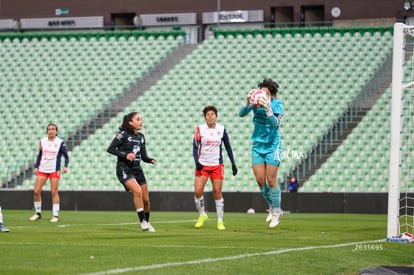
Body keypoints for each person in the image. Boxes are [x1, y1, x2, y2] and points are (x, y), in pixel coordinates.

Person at [239, 78, 284, 228]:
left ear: (272, 95)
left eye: (266, 93)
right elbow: (241, 114)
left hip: (273, 146)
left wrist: (268, 109)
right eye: (261, 92)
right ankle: (271, 206)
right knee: (260, 180)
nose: (262, 95)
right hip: (258, 145)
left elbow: (275, 123)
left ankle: (278, 211)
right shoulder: (256, 104)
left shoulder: (278, 105)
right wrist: (247, 102)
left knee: (271, 180)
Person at [107, 112, 156, 232]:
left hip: (137, 169)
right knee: (137, 191)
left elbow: (143, 156)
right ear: (130, 122)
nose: (141, 121)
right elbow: (111, 149)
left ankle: (148, 221)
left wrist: (150, 160)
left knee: (146, 199)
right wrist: (125, 154)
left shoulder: (141, 136)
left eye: (141, 119)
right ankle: (142, 221)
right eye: (138, 119)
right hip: (124, 168)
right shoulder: (123, 134)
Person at [193, 105, 238, 230]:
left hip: (217, 165)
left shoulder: (222, 129)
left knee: (217, 192)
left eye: (212, 114)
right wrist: (197, 161)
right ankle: (202, 215)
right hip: (202, 165)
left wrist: (233, 163)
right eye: (208, 115)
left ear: (216, 116)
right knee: (197, 192)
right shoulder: (200, 129)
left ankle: (220, 221)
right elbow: (195, 147)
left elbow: (228, 147)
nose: (210, 116)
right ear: (205, 117)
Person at [29, 123, 69, 222]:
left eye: (53, 129)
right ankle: (38, 213)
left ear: (56, 131)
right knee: (36, 191)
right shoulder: (42, 141)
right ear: (47, 131)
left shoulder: (60, 142)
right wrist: (36, 166)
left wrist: (65, 166)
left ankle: (55, 215)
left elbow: (66, 156)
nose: (51, 131)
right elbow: (40, 155)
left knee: (54, 192)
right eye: (49, 129)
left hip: (54, 169)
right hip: (42, 169)